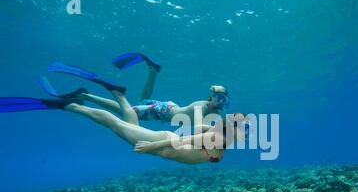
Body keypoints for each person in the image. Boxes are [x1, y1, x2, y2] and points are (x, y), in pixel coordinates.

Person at [0, 61, 247, 165]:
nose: (243, 137)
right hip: (158, 143)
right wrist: (149, 148)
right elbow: (181, 140)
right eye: (241, 132)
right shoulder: (215, 137)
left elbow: (196, 132)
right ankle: (73, 105)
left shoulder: (219, 138)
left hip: (161, 139)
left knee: (126, 121)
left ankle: (113, 94)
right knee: (117, 124)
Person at [42, 53, 230, 123]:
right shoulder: (202, 106)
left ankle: (153, 72)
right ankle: (86, 95)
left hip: (168, 108)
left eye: (223, 100)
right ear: (210, 97)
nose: (220, 102)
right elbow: (198, 125)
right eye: (218, 98)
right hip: (162, 112)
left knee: (139, 101)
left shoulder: (214, 112)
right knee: (126, 112)